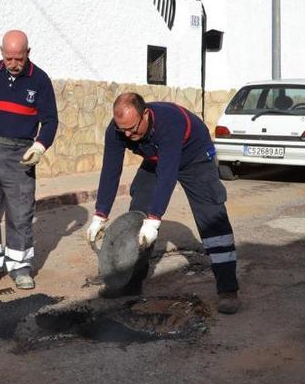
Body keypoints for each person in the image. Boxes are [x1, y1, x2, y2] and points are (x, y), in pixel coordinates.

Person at [85, 92, 241, 314]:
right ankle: (131, 283)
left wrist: (154, 219)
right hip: (156, 158)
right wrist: (100, 214)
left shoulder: (169, 123)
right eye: (123, 130)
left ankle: (227, 289)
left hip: (194, 156)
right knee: (137, 213)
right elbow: (110, 170)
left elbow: (167, 175)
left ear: (145, 114)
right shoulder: (118, 130)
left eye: (133, 128)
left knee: (211, 216)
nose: (128, 135)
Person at [0, 30, 59, 290]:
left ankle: (20, 268)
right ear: (1, 53)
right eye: (9, 58)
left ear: (28, 53)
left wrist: (40, 147)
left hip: (20, 155)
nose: (13, 64)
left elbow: (50, 120)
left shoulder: (39, 80)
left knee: (20, 214)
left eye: (18, 58)